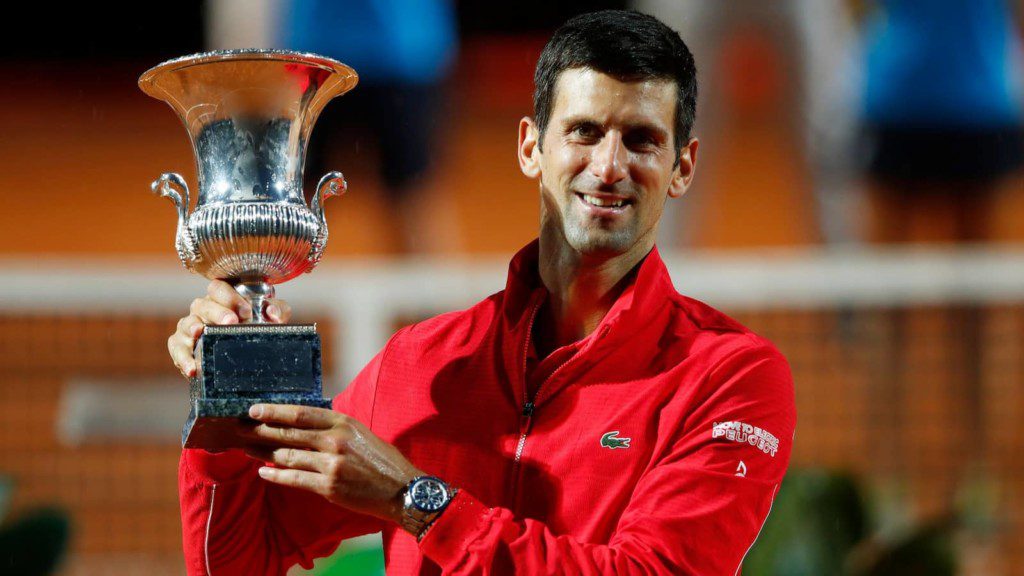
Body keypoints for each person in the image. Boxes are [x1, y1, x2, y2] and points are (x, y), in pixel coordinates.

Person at [168, 10, 796, 575]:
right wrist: (224, 409)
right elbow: (239, 559)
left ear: (682, 167)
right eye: (582, 131)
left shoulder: (729, 378)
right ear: (531, 147)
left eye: (641, 139)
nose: (608, 167)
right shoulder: (422, 364)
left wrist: (415, 501)